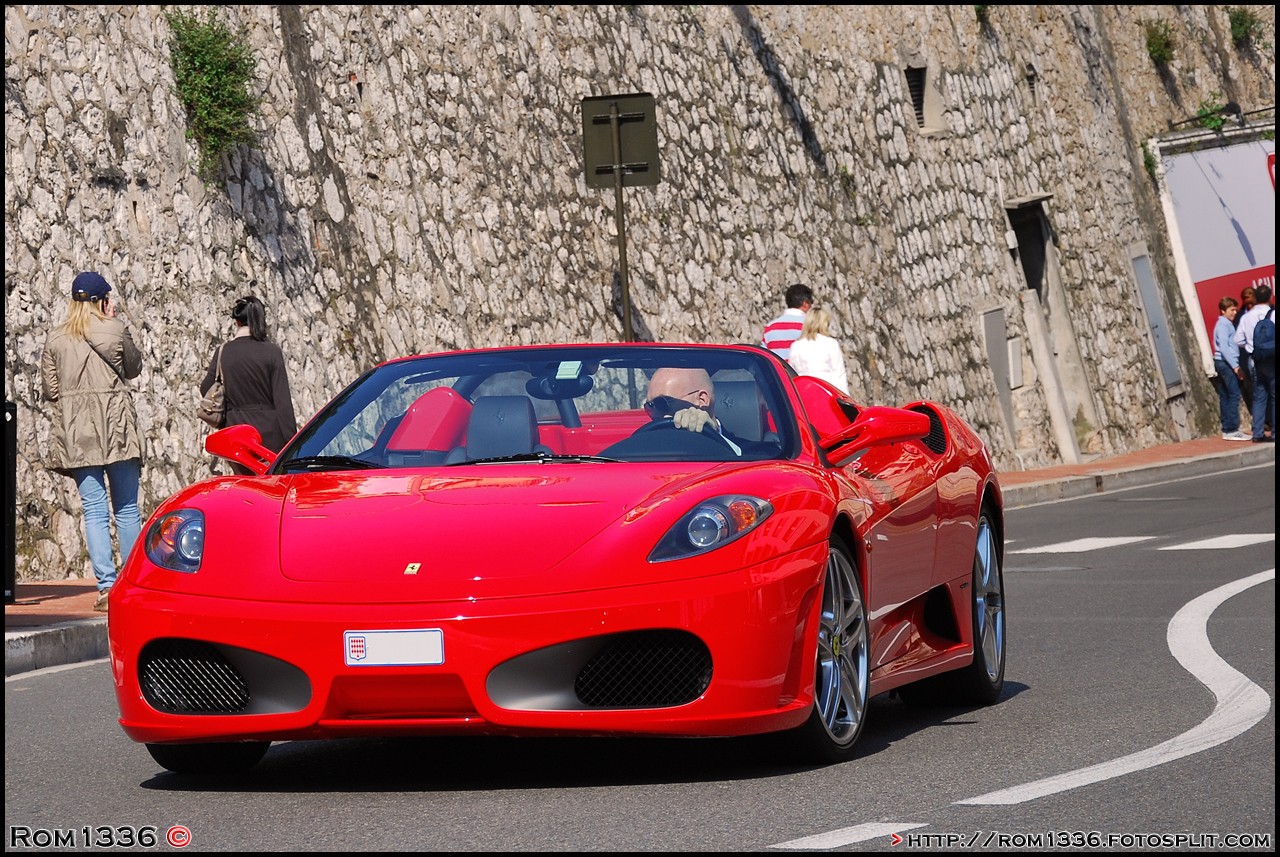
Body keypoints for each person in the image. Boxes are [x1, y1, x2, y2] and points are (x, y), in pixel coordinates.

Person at [40, 272, 144, 612]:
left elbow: (50, 390)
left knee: (95, 510)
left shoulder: (56, 339)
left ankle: (105, 587)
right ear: (103, 300)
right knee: (127, 508)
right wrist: (114, 323)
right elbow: (133, 368)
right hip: (116, 427)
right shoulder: (115, 330)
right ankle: (132, 585)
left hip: (79, 431)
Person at [201, 294, 298, 473]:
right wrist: (294, 443)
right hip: (270, 438)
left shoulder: (223, 352)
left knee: (246, 488)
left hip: (237, 436)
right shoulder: (271, 352)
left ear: (237, 321)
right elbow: (282, 403)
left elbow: (205, 388)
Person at [1234, 284, 1275, 443]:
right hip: (1272, 359)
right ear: (1270, 297)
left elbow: (1238, 340)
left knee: (1259, 396)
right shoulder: (1272, 314)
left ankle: (1257, 433)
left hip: (1255, 360)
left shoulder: (1246, 317)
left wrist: (1251, 347)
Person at [1211, 296, 1249, 441]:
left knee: (1225, 394)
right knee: (1233, 394)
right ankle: (1232, 429)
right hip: (1226, 362)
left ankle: (1227, 429)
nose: (1234, 313)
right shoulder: (1223, 325)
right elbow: (1225, 348)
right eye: (1232, 310)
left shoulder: (1225, 324)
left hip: (1223, 362)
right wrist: (1235, 366)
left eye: (1235, 310)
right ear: (1223, 311)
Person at [787, 305, 850, 393]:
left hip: (803, 391)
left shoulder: (796, 346)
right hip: (826, 390)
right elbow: (839, 374)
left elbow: (792, 373)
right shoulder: (830, 344)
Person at [760, 283, 814, 361]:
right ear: (805, 303)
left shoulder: (770, 328)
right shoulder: (810, 326)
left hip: (777, 372)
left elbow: (764, 357)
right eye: (811, 302)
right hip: (802, 373)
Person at [1237, 286, 1258, 414]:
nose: (1249, 306)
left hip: (1265, 355)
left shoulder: (1266, 311)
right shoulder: (1241, 316)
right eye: (1247, 303)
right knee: (1255, 389)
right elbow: (1238, 340)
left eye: (1251, 303)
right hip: (1250, 357)